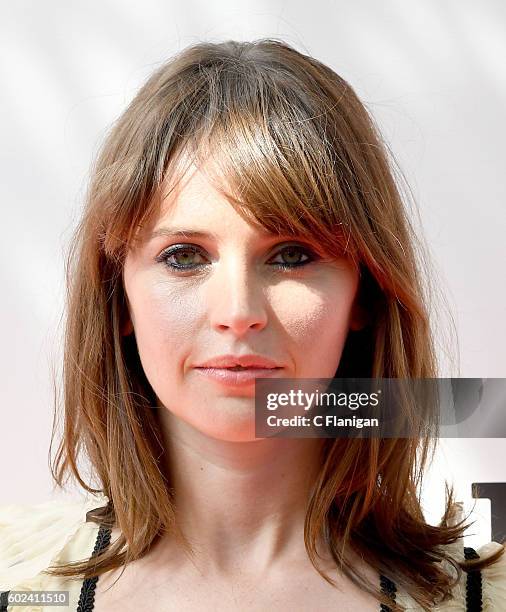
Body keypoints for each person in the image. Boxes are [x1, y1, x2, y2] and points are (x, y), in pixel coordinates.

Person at [0, 38, 504, 612]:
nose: (238, 311)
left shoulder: (486, 598)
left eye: (291, 254)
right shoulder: (15, 585)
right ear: (118, 299)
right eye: (184, 256)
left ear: (366, 291)